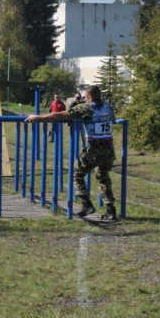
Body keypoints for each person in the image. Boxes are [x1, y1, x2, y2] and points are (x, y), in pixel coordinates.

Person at [26, 85, 118, 221]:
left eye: (85, 97)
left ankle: (86, 204)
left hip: (96, 148)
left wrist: (37, 117)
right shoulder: (107, 106)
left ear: (89, 97)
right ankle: (111, 211)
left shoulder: (86, 108)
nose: (84, 99)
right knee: (103, 177)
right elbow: (113, 120)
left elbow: (59, 115)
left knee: (77, 173)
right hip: (109, 149)